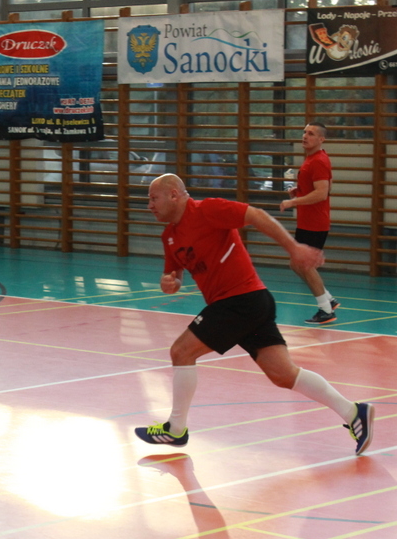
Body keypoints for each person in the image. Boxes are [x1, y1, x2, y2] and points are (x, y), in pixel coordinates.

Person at [134, 174, 373, 456]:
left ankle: (175, 429)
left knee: (181, 352)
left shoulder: (208, 210)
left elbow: (256, 215)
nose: (149, 205)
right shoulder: (169, 236)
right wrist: (169, 283)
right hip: (248, 305)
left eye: (153, 198)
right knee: (284, 375)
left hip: (240, 300)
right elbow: (174, 276)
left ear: (174, 194)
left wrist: (294, 248)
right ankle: (353, 412)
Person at [280, 122, 338, 324]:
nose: (305, 136)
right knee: (296, 264)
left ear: (321, 139)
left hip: (315, 223)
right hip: (307, 221)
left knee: (303, 265)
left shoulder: (319, 161)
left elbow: (322, 193)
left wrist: (293, 202)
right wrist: (299, 192)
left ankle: (326, 310)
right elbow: (324, 187)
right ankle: (329, 300)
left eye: (311, 134)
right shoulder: (311, 159)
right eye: (304, 132)